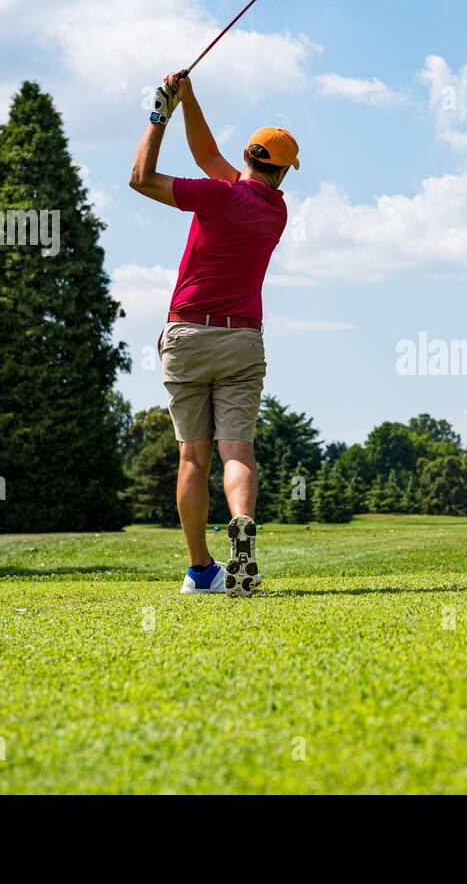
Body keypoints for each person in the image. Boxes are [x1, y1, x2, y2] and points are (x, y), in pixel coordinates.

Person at [128, 70, 300, 596]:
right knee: (236, 452)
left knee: (192, 457)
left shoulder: (216, 196)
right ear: (282, 174)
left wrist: (160, 114)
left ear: (246, 159)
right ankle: (242, 532)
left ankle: (201, 570)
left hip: (187, 338)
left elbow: (140, 177)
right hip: (242, 341)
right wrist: (190, 100)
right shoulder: (275, 209)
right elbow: (208, 158)